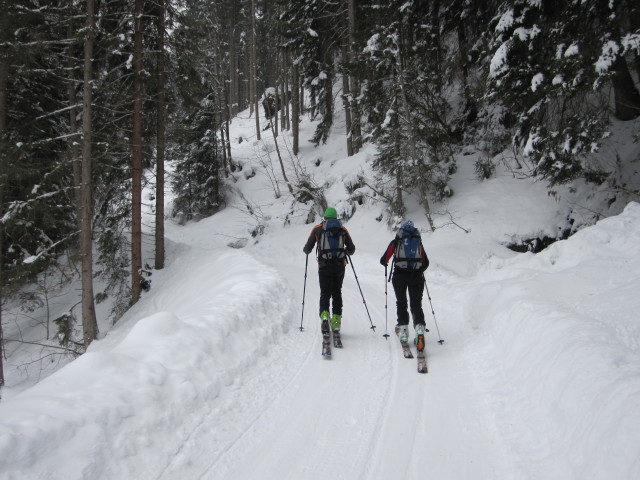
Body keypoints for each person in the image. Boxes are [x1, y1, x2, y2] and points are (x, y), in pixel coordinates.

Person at [303, 207, 355, 335]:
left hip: (324, 266)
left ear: (324, 218)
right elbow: (352, 249)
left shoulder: (317, 229)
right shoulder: (342, 230)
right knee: (337, 293)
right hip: (339, 267)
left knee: (325, 293)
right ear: (336, 217)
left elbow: (307, 248)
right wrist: (344, 252)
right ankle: (336, 322)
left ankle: (325, 317)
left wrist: (307, 250)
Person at [379, 220, 429, 350]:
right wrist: (417, 270)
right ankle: (419, 330)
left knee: (401, 302)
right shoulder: (417, 240)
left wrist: (389, 263)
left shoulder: (397, 240)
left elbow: (383, 260)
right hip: (416, 277)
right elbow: (426, 262)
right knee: (416, 304)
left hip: (400, 276)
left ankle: (404, 332)